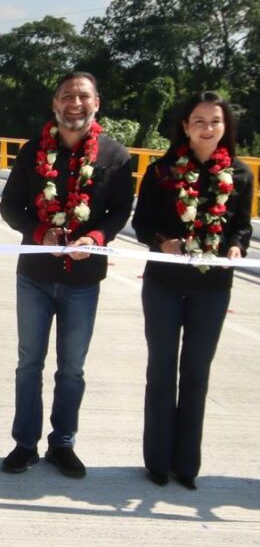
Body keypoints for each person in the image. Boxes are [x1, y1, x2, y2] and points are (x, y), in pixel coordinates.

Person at [0, 71, 134, 478]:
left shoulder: (115, 155)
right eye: (67, 96)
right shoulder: (32, 152)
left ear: (97, 103)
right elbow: (10, 206)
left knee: (72, 367)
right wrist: (40, 233)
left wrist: (94, 236)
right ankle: (24, 444)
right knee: (29, 363)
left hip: (83, 279)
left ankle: (63, 443)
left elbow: (120, 212)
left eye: (83, 96)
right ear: (55, 104)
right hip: (35, 275)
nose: (75, 103)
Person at [131, 91, 253, 490]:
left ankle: (187, 465)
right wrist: (162, 242)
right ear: (185, 126)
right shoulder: (163, 172)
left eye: (214, 122)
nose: (207, 128)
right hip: (164, 284)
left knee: (197, 373)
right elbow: (143, 223)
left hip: (213, 287)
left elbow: (240, 226)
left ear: (225, 127)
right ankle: (157, 462)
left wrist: (236, 245)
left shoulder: (239, 173)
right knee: (162, 371)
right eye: (198, 121)